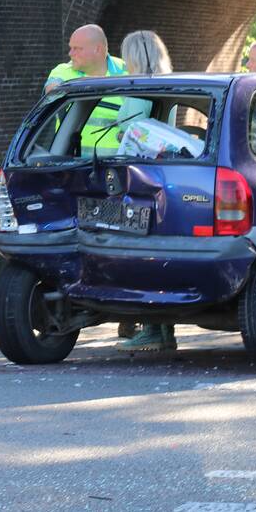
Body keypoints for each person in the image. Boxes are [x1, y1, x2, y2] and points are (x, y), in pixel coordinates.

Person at [115, 30, 178, 352]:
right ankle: (162, 330)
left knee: (141, 251)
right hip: (160, 175)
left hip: (138, 176)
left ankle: (152, 327)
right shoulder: (166, 83)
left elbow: (130, 130)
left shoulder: (139, 88)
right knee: (158, 250)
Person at [44, 24, 127, 156]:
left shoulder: (127, 71)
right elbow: (51, 93)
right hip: (73, 166)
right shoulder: (63, 71)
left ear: (98, 49)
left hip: (118, 167)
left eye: (77, 49)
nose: (70, 54)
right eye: (71, 48)